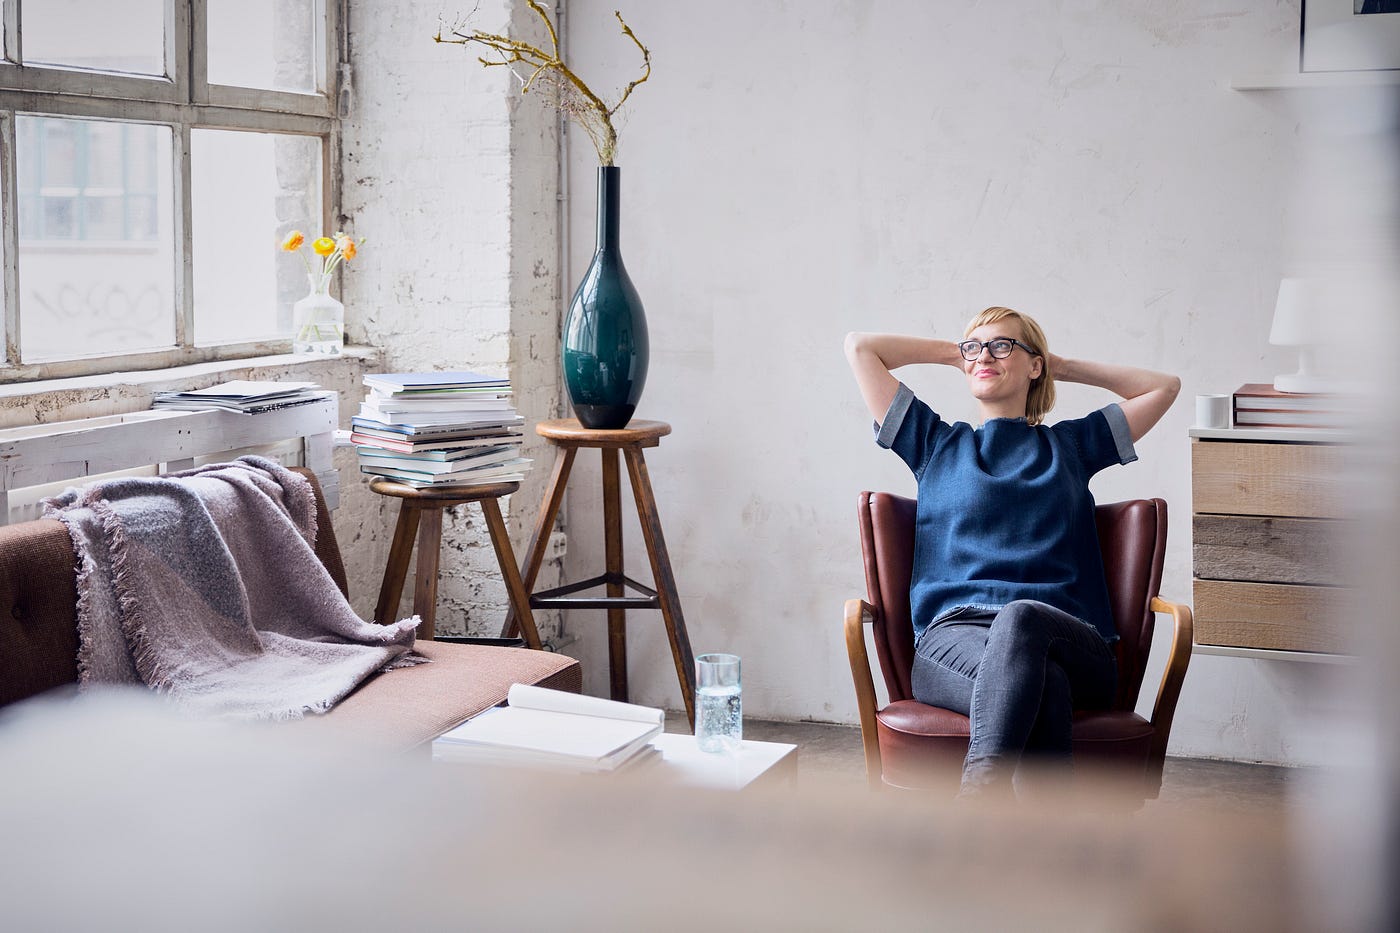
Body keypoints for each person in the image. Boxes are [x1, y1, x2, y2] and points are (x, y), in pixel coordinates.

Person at [843, 307, 1179, 796]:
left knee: (1022, 619)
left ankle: (979, 802)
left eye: (1002, 345)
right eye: (974, 347)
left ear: (1034, 365)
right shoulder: (934, 445)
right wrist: (956, 354)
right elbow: (860, 347)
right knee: (1046, 687)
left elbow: (1163, 387)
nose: (984, 355)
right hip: (954, 640)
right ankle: (1046, 849)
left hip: (1068, 637)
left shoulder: (1073, 447)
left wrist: (1061, 365)